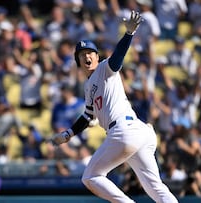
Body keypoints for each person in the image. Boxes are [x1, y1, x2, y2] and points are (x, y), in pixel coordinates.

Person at [48, 11, 178, 203]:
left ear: (97, 56)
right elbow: (87, 117)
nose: (87, 57)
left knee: (90, 176)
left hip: (124, 131)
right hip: (139, 133)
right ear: (78, 62)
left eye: (90, 53)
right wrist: (68, 134)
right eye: (82, 55)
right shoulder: (87, 85)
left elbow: (117, 58)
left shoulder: (104, 68)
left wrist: (129, 34)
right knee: (155, 187)